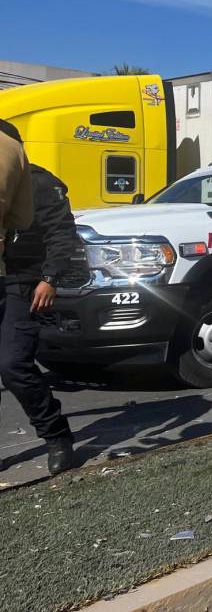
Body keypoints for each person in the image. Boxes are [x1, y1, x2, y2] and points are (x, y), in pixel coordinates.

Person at [0, 119, 75, 475]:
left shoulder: (41, 183)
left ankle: (57, 435)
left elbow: (61, 234)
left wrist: (50, 278)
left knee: (14, 366)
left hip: (24, 283)